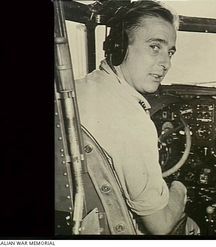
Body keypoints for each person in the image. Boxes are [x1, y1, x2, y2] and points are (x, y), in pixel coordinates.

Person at [76, 0, 198, 235]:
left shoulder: (74, 91)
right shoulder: (132, 120)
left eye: (170, 51)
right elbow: (160, 226)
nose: (166, 63)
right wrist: (180, 189)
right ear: (119, 46)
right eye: (155, 47)